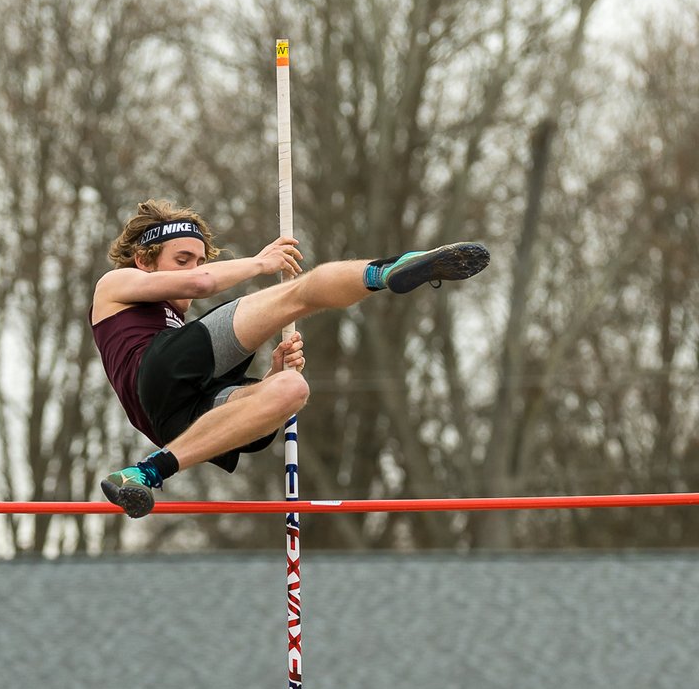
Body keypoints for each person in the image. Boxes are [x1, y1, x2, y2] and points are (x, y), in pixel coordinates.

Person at [90, 199, 490, 517]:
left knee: (290, 389)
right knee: (295, 296)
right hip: (156, 373)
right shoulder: (117, 283)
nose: (193, 270)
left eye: (198, 259)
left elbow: (205, 376)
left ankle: (147, 472)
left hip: (173, 421)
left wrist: (269, 376)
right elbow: (205, 282)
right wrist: (262, 263)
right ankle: (385, 271)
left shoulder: (174, 326)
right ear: (144, 260)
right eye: (182, 259)